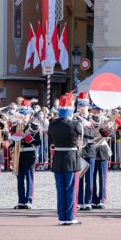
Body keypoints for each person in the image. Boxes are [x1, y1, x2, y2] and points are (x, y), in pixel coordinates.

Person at [47, 93, 83, 225]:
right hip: (71, 158)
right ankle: (71, 216)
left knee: (61, 189)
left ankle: (62, 217)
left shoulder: (52, 124)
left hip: (58, 158)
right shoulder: (75, 124)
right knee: (71, 189)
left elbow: (51, 142)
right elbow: (80, 141)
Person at [91, 105, 121, 209]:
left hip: (101, 148)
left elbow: (112, 135)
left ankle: (101, 199)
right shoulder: (88, 119)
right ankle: (93, 199)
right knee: (91, 177)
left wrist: (110, 125)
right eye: (94, 109)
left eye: (96, 109)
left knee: (102, 176)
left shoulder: (106, 119)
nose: (94, 111)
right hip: (91, 148)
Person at [11, 102, 41, 209]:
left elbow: (38, 142)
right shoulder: (16, 126)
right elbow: (12, 142)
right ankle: (21, 200)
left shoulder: (34, 126)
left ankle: (28, 200)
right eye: (22, 114)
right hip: (19, 154)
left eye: (26, 114)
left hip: (29, 154)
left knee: (29, 178)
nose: (23, 116)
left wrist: (26, 136)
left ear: (30, 115)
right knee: (19, 179)